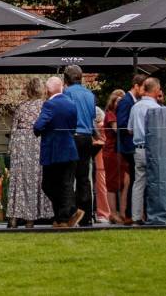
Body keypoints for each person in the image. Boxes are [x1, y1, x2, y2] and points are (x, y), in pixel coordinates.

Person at [33, 75, 83, 228]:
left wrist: (40, 130)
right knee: (65, 184)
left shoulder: (49, 105)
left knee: (48, 185)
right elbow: (74, 126)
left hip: (53, 151)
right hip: (69, 149)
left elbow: (38, 126)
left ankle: (65, 216)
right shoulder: (72, 104)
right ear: (61, 87)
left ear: (47, 90)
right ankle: (64, 215)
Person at [8, 76, 53, 228]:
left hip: (20, 143)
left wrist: (12, 148)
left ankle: (14, 218)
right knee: (35, 180)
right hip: (36, 141)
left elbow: (13, 129)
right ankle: (30, 219)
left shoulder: (21, 106)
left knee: (18, 181)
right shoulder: (45, 105)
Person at [61, 64, 98, 227]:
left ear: (66, 79)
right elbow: (92, 116)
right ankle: (87, 215)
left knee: (68, 176)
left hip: (72, 136)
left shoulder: (67, 93)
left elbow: (66, 114)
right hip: (87, 137)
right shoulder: (90, 94)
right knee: (84, 177)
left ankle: (71, 213)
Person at [127, 76, 164, 224]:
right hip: (153, 149)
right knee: (155, 182)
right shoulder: (156, 108)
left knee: (138, 183)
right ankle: (153, 214)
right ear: (155, 90)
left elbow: (129, 130)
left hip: (138, 149)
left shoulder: (135, 107)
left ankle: (136, 216)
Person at [114, 72, 145, 223]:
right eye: (143, 88)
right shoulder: (126, 101)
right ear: (136, 86)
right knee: (135, 180)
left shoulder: (133, 101)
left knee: (135, 179)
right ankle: (130, 213)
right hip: (129, 146)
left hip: (132, 145)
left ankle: (133, 212)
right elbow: (121, 123)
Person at [99, 89, 125, 223]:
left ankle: (120, 212)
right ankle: (113, 213)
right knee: (112, 183)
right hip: (111, 151)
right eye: (118, 101)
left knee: (120, 183)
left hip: (119, 151)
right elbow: (116, 130)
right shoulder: (110, 115)